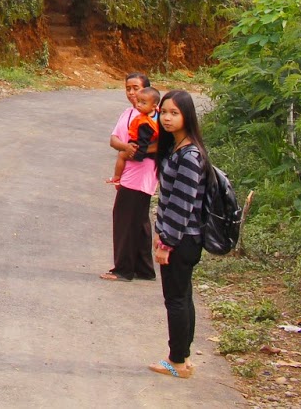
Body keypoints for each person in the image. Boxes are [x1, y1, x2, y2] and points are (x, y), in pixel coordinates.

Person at [150, 90, 207, 380]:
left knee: (176, 299)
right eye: (164, 112)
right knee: (183, 297)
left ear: (187, 116)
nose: (167, 118)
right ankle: (183, 357)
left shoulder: (189, 155)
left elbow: (182, 203)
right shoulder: (176, 148)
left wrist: (166, 242)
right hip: (181, 237)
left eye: (174, 113)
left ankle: (178, 362)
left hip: (181, 239)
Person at [101, 72, 158, 282]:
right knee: (140, 219)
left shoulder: (154, 116)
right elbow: (113, 139)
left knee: (124, 217)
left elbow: (162, 144)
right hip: (130, 171)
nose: (132, 93)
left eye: (137, 88)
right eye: (128, 88)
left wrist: (136, 151)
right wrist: (126, 147)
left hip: (142, 172)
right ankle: (144, 269)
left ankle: (123, 269)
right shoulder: (128, 113)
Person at [109, 86, 159, 184]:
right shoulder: (156, 115)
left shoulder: (144, 123)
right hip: (149, 149)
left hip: (140, 149)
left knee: (121, 155)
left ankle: (116, 177)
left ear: (153, 106)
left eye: (143, 103)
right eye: (139, 101)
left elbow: (143, 140)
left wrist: (136, 151)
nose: (139, 105)